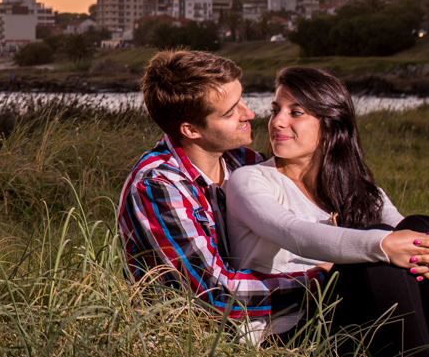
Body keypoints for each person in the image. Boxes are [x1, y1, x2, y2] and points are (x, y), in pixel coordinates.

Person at [225, 66, 429, 357]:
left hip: (350, 323)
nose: (277, 122)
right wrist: (380, 245)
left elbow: (412, 232)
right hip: (293, 330)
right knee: (377, 253)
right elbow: (295, 233)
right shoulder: (251, 181)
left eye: (295, 113)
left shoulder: (359, 189)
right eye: (276, 110)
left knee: (422, 226)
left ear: (331, 124)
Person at [118, 49, 338, 338]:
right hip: (207, 343)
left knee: (401, 250)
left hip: (273, 321)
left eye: (242, 99)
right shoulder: (158, 186)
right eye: (231, 111)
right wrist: (323, 280)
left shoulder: (244, 162)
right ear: (191, 129)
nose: (250, 114)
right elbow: (215, 295)